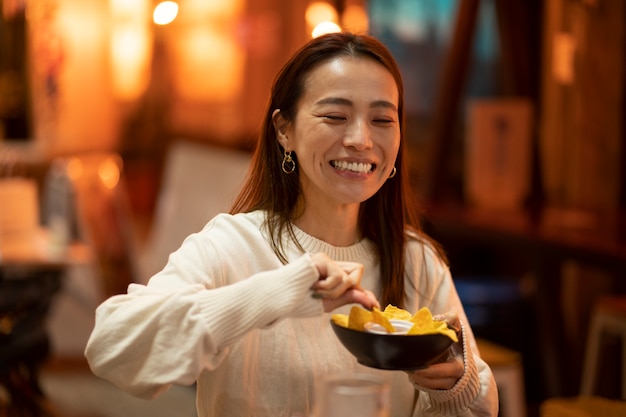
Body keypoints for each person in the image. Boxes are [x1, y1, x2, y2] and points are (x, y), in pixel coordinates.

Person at [85, 32, 498, 416]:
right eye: (335, 116)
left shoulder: (415, 260)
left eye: (382, 119)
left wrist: (454, 387)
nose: (361, 139)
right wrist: (276, 292)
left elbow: (480, 403)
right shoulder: (232, 247)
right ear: (285, 131)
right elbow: (111, 348)